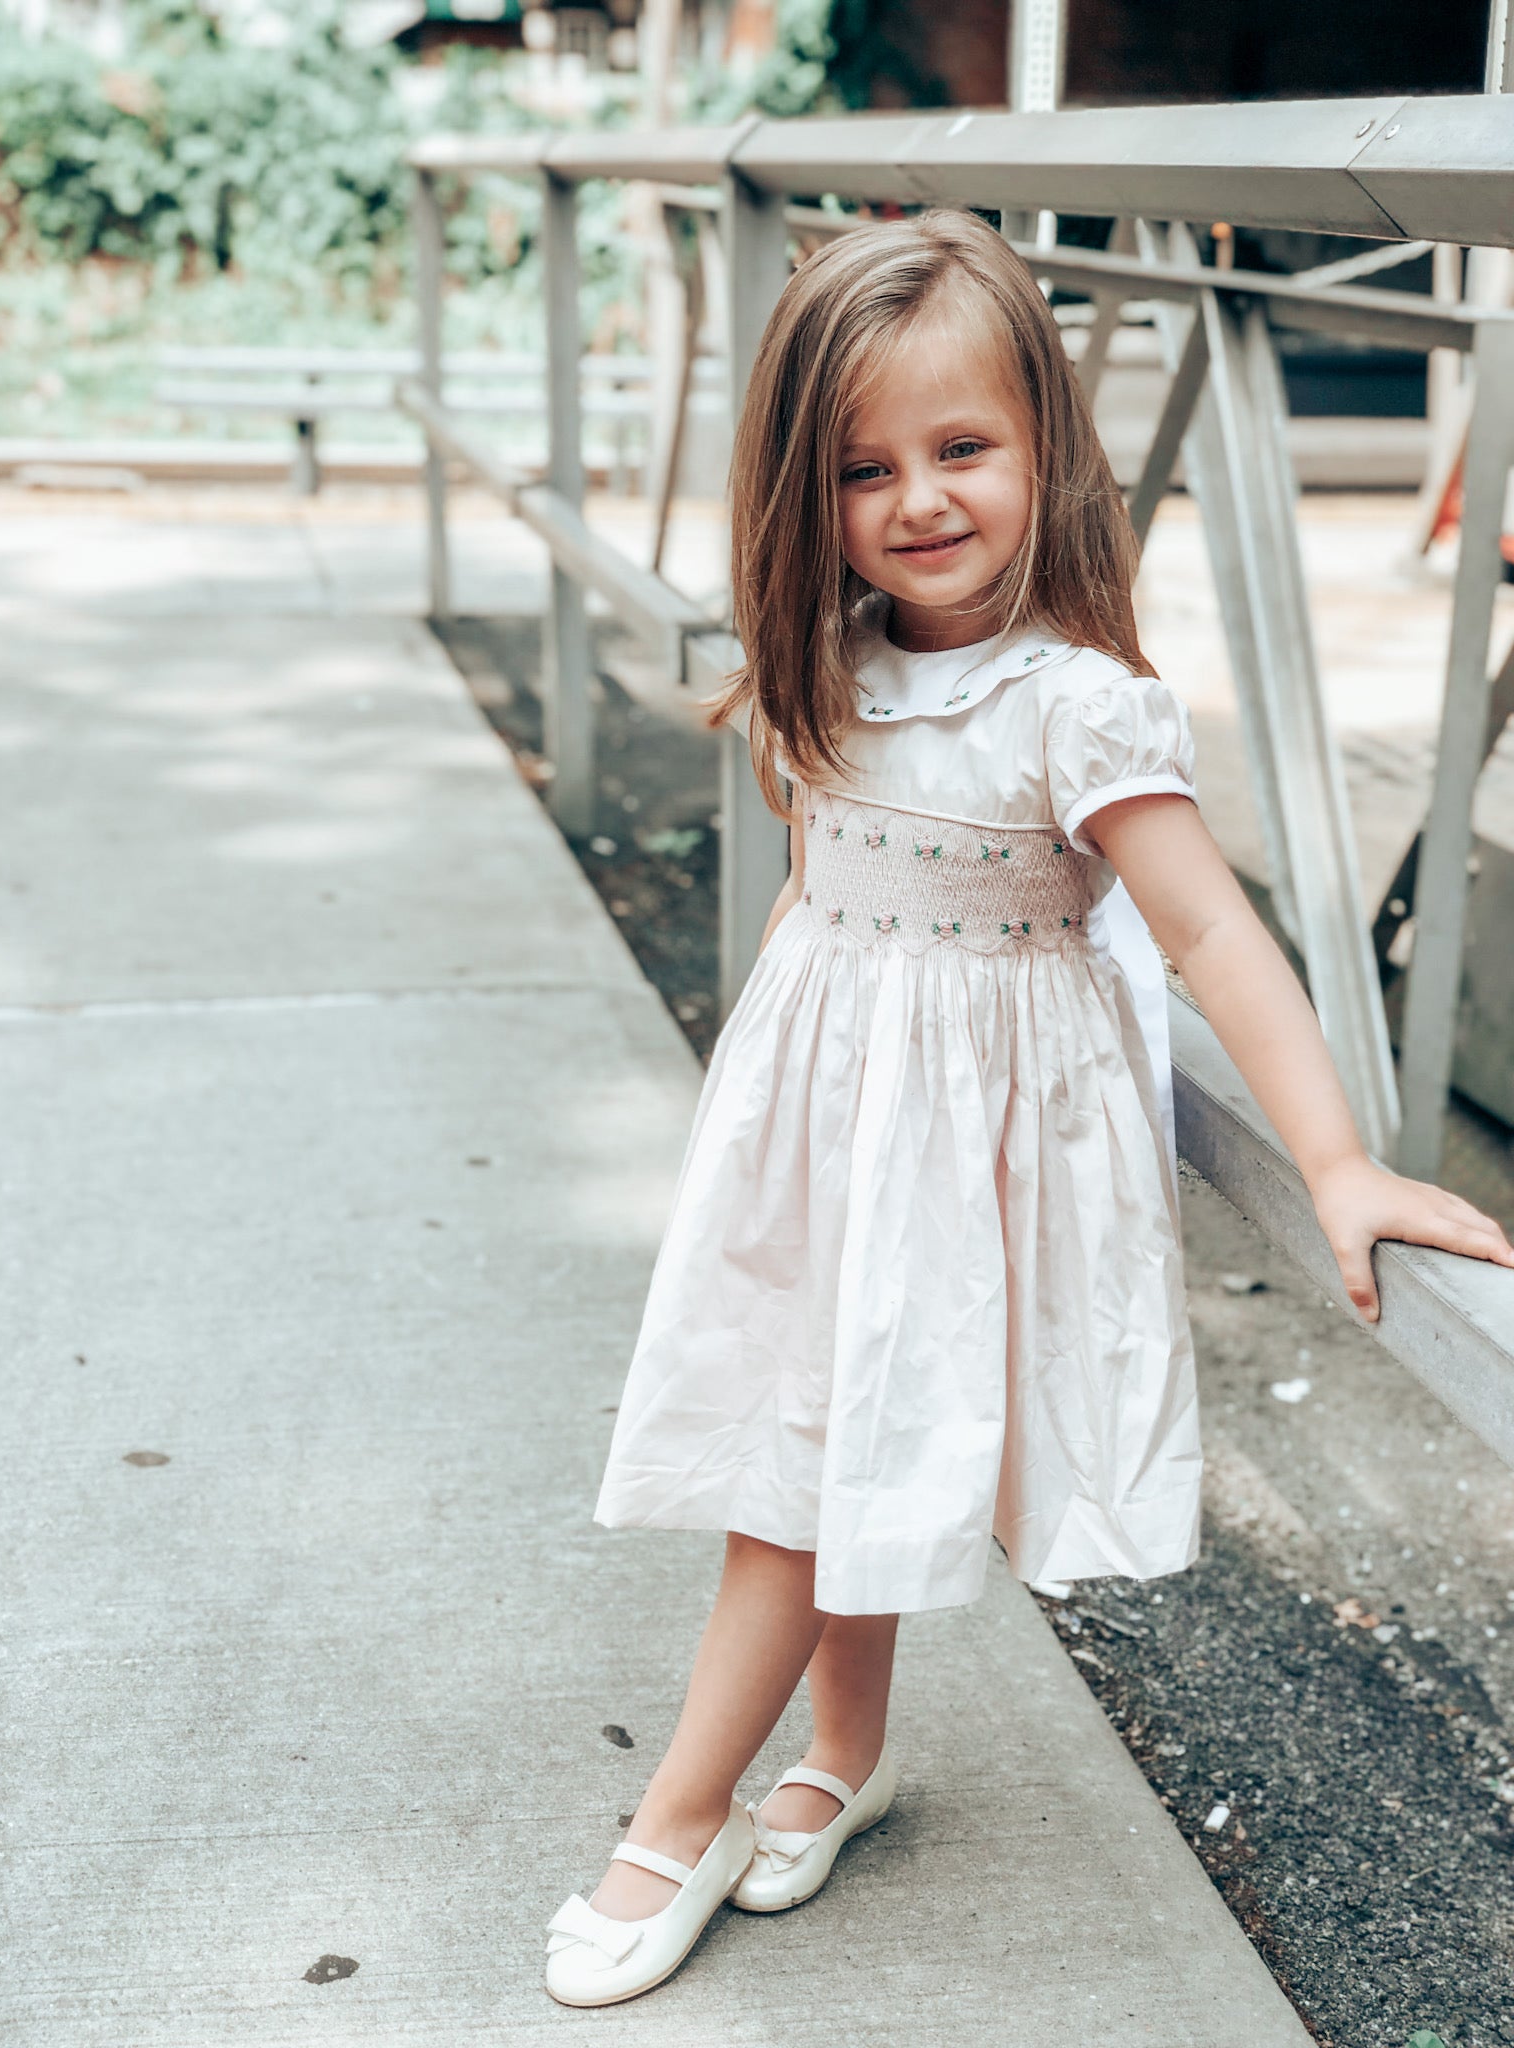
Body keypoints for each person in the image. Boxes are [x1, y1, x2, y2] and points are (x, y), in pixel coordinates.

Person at [541, 209, 1514, 2008]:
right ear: (801, 493)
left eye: (961, 448)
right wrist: (764, 1117)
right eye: (862, 467)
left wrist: (1339, 1159)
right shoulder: (829, 673)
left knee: (806, 1476)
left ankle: (677, 1813)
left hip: (965, 1150)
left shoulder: (1073, 709)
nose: (917, 499)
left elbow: (1215, 930)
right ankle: (847, 1749)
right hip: (825, 1137)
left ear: (1044, 450)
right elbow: (816, 905)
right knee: (841, 1441)